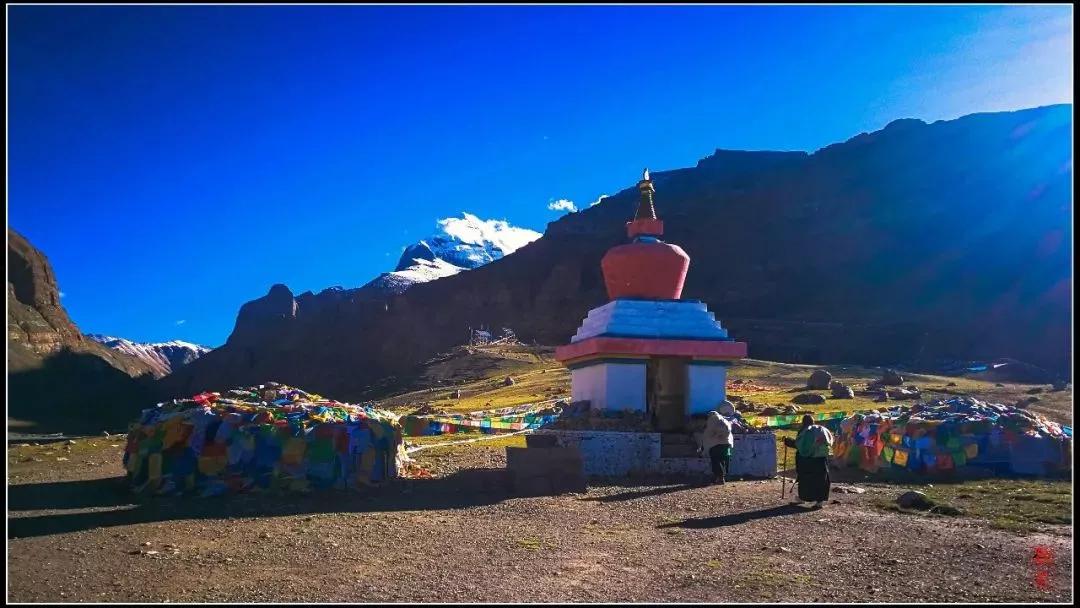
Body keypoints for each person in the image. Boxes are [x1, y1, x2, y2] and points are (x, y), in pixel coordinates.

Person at [783, 414, 834, 509]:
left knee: (806, 479)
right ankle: (819, 502)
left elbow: (801, 446)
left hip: (808, 459)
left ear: (803, 422)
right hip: (822, 458)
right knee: (821, 480)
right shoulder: (822, 429)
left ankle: (803, 498)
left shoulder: (805, 431)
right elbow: (830, 442)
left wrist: (788, 441)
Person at [701, 408, 734, 484]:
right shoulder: (724, 420)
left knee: (716, 460)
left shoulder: (711, 420)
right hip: (727, 444)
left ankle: (719, 478)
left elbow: (707, 434)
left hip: (715, 444)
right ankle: (722, 477)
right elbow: (729, 433)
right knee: (724, 460)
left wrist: (704, 446)